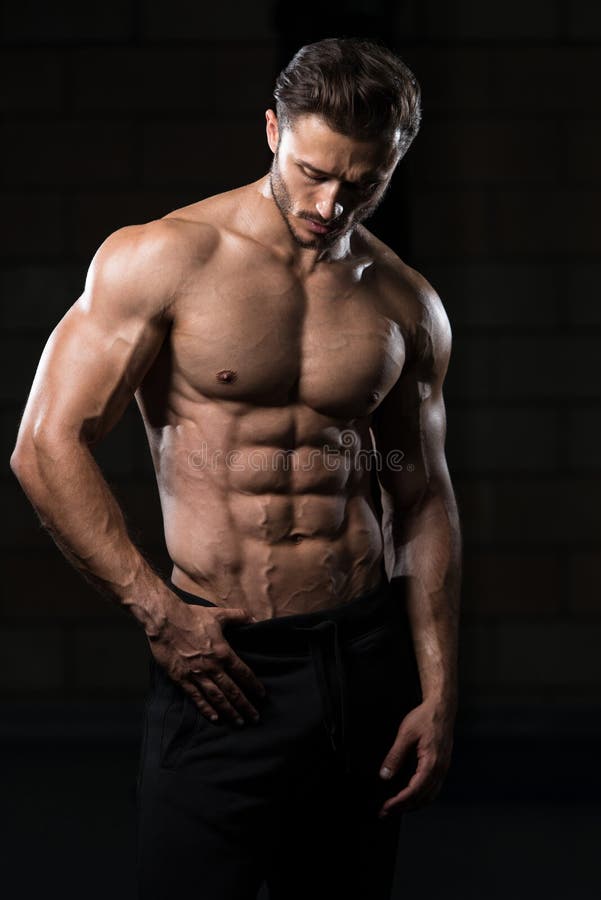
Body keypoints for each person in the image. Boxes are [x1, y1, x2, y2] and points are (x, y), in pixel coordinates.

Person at [10, 36, 462, 900]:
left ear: (394, 161)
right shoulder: (164, 258)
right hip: (225, 659)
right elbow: (45, 444)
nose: (330, 205)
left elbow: (421, 498)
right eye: (311, 171)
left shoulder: (405, 301)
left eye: (361, 183)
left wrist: (438, 691)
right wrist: (158, 610)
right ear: (271, 131)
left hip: (362, 655)